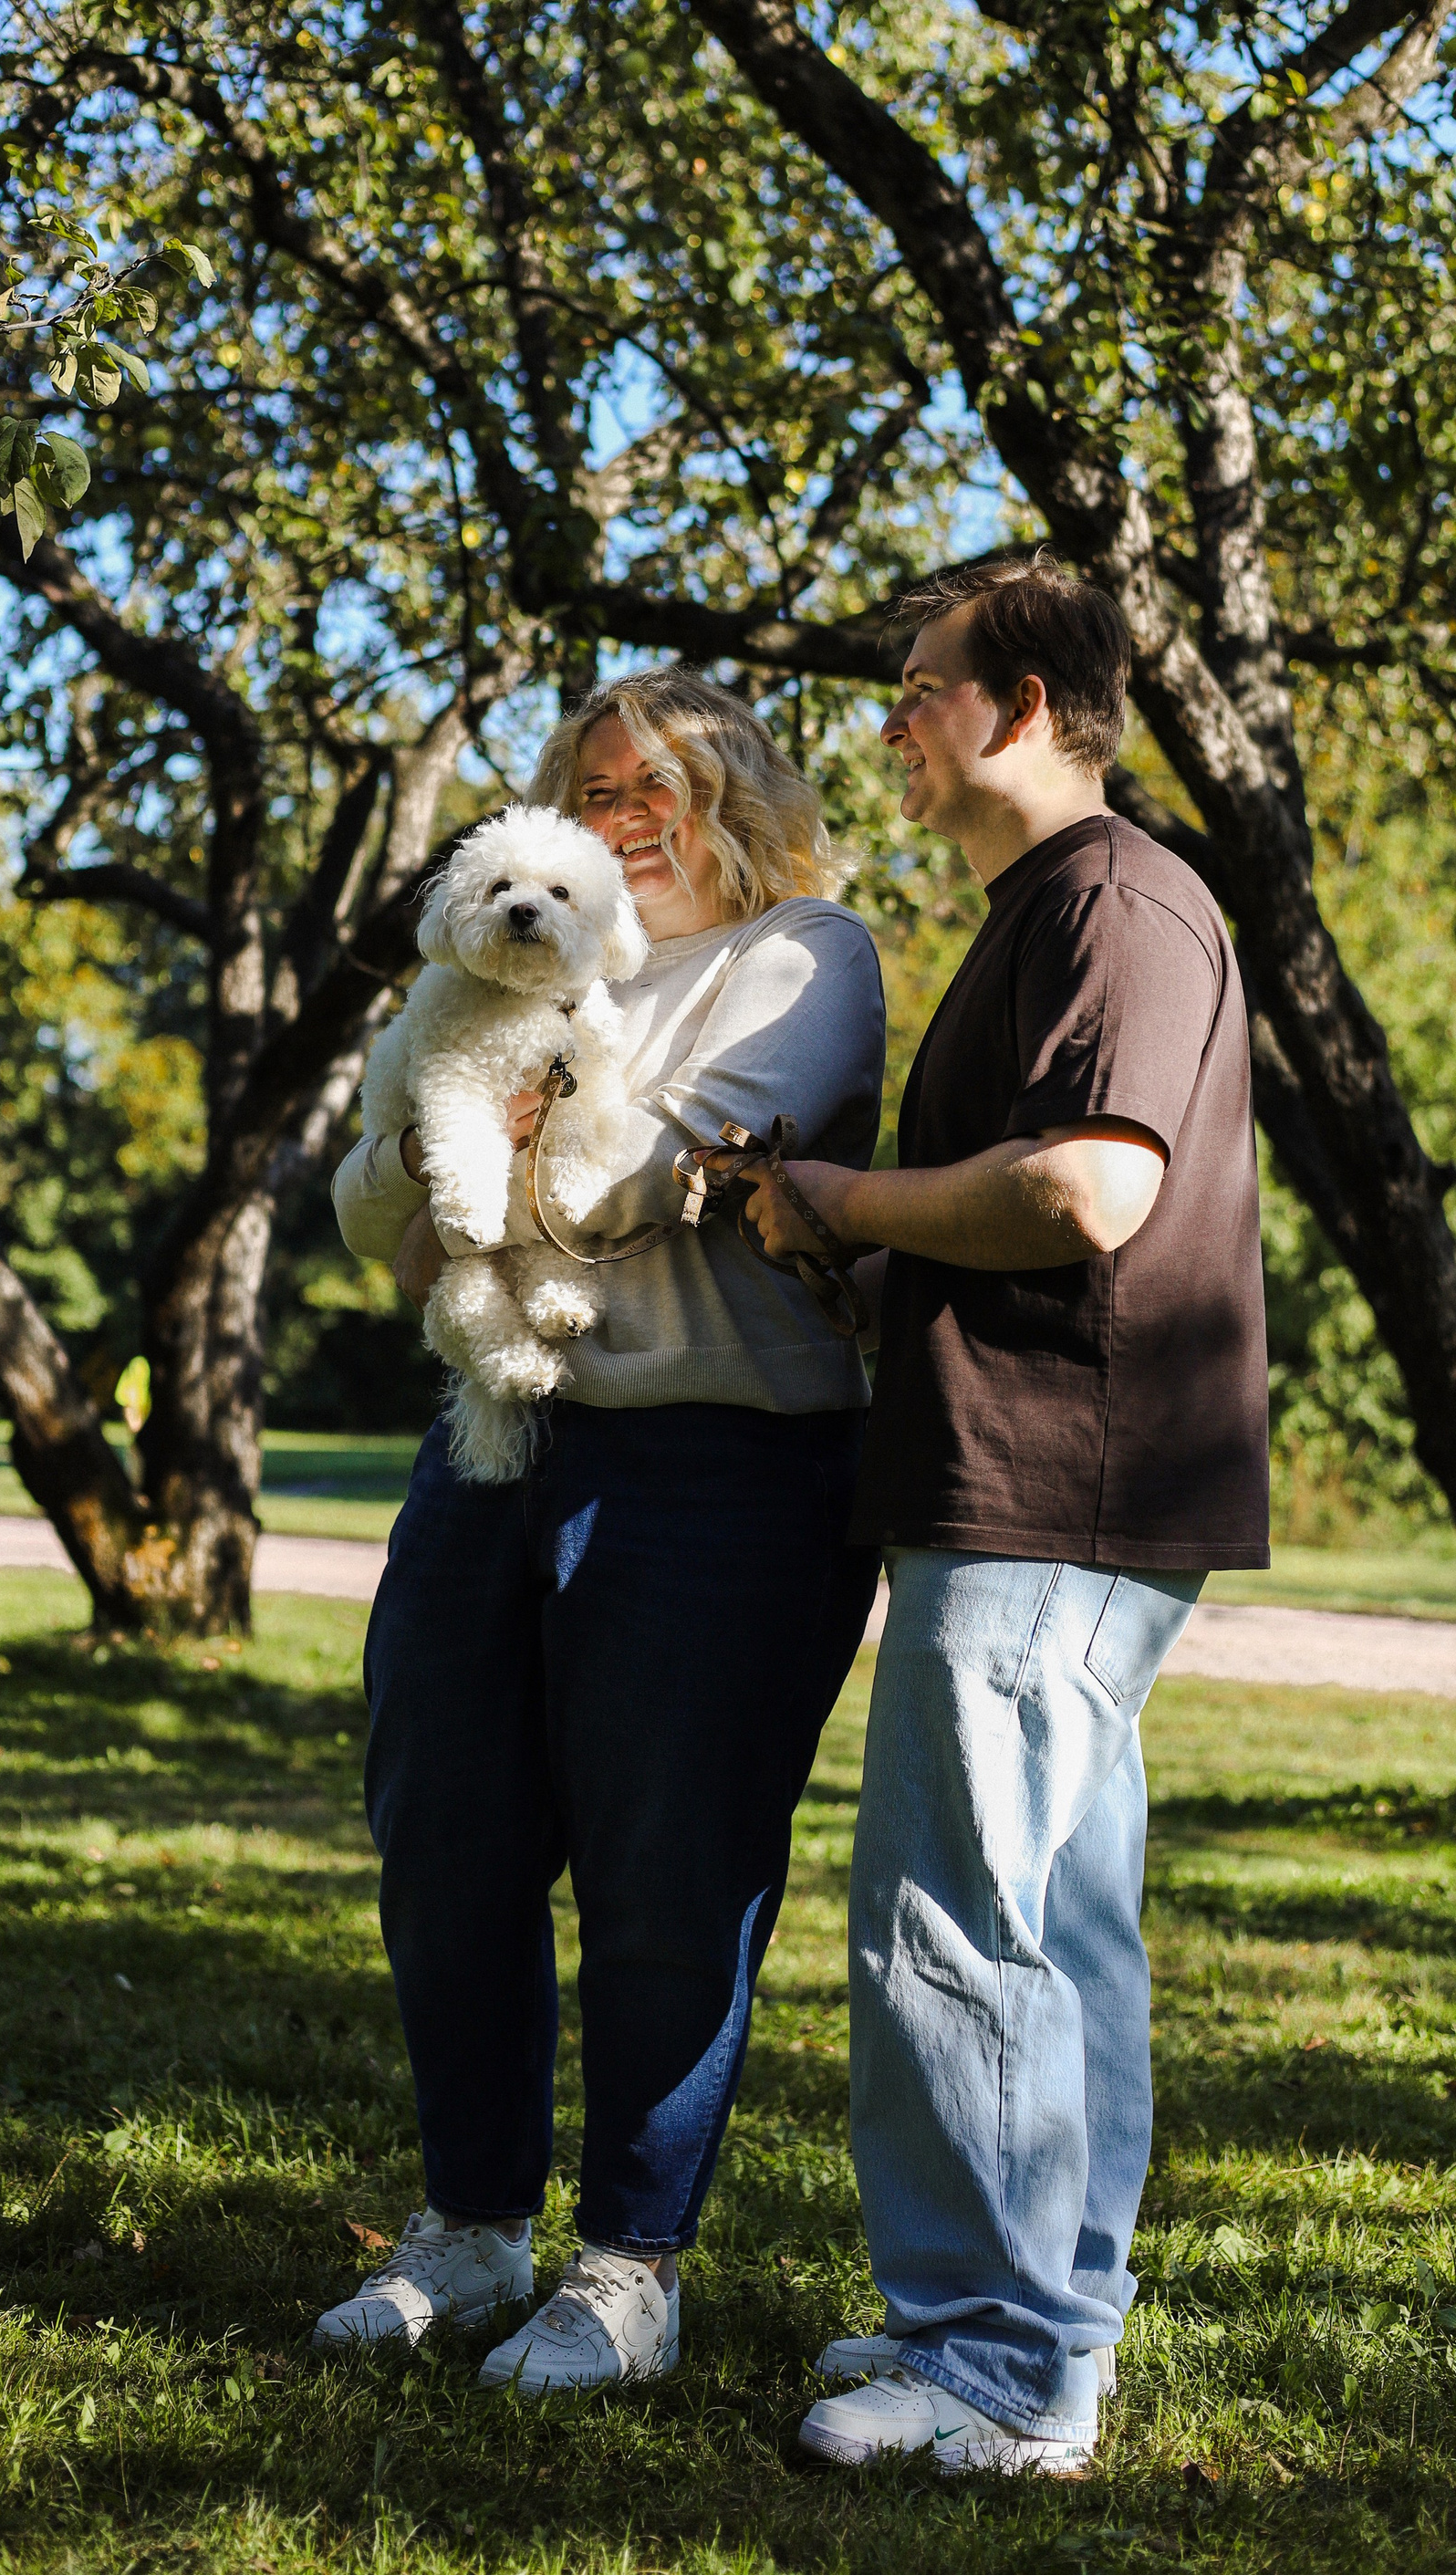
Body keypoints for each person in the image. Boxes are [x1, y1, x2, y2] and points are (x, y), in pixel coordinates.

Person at [733, 558, 1270, 2476]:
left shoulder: (1114, 899)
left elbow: (1090, 1192)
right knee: (1053, 1920)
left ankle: (993, 2360)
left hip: (1055, 1485)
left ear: (1026, 704)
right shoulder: (1050, 907)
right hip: (1052, 1479)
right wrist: (844, 1244)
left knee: (956, 1920)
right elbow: (1024, 1209)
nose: (892, 718)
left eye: (921, 684)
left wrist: (845, 1200)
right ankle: (1042, 2324)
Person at [318, 669, 885, 2392]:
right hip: (498, 1436)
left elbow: (670, 1171)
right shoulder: (496, 958)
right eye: (594, 787)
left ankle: (633, 2266)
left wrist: (484, 1146)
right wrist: (455, 1149)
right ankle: (472, 2224)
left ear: (734, 799)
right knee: (444, 1832)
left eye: (659, 787)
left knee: (668, 1866)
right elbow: (366, 1202)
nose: (624, 816)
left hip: (719, 1455)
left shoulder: (803, 956)